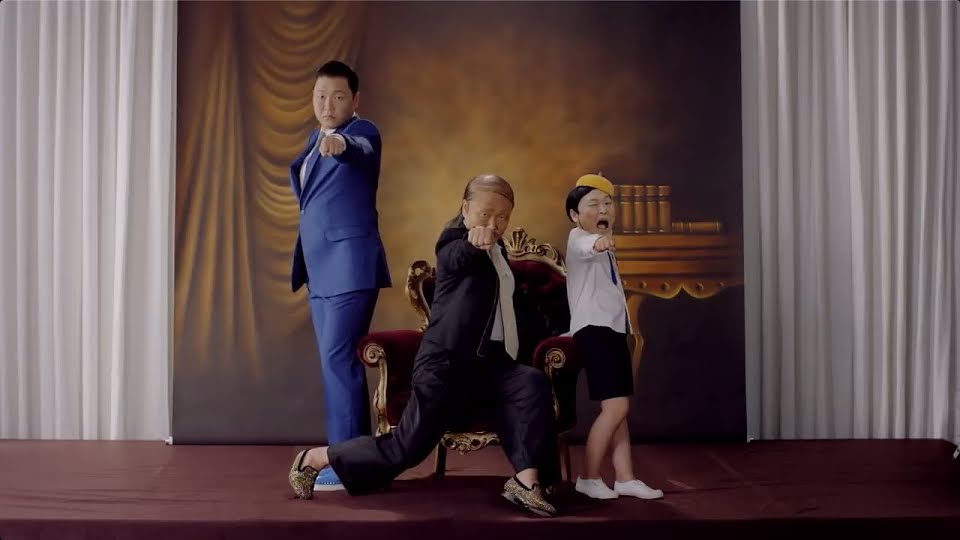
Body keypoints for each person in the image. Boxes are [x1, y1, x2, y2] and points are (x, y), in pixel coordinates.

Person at [289, 174, 560, 517]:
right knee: (406, 449)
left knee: (530, 382)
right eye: (485, 214)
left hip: (489, 364)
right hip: (445, 365)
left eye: (503, 216)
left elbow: (507, 306)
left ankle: (526, 481)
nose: (494, 224)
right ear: (465, 208)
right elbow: (456, 256)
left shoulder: (499, 249)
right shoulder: (454, 240)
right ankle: (315, 458)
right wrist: (474, 241)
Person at [289, 60, 391, 490]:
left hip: (350, 267)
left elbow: (358, 149)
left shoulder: (362, 132)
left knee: (339, 362)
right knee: (335, 365)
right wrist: (326, 142)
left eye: (337, 96)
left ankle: (346, 463)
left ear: (355, 100)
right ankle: (353, 460)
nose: (327, 104)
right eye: (320, 96)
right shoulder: (313, 141)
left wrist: (341, 144)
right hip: (321, 271)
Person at [564, 174, 664, 501]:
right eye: (593, 204)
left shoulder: (604, 242)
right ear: (575, 215)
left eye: (608, 203)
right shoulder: (579, 239)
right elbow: (587, 246)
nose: (604, 209)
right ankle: (588, 477)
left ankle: (625, 478)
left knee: (618, 411)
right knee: (616, 407)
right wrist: (599, 242)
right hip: (594, 331)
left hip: (612, 329)